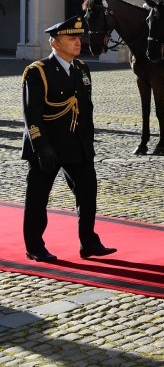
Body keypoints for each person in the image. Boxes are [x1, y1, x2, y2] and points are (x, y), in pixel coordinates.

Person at [22, 16, 116, 262]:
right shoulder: (38, 72)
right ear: (55, 43)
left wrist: (88, 144)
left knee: (88, 194)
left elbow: (86, 109)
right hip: (49, 147)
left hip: (77, 145)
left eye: (78, 38)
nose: (77, 42)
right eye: (71, 38)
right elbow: (31, 113)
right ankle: (35, 246)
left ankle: (89, 243)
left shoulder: (82, 69)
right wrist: (41, 146)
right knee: (38, 198)